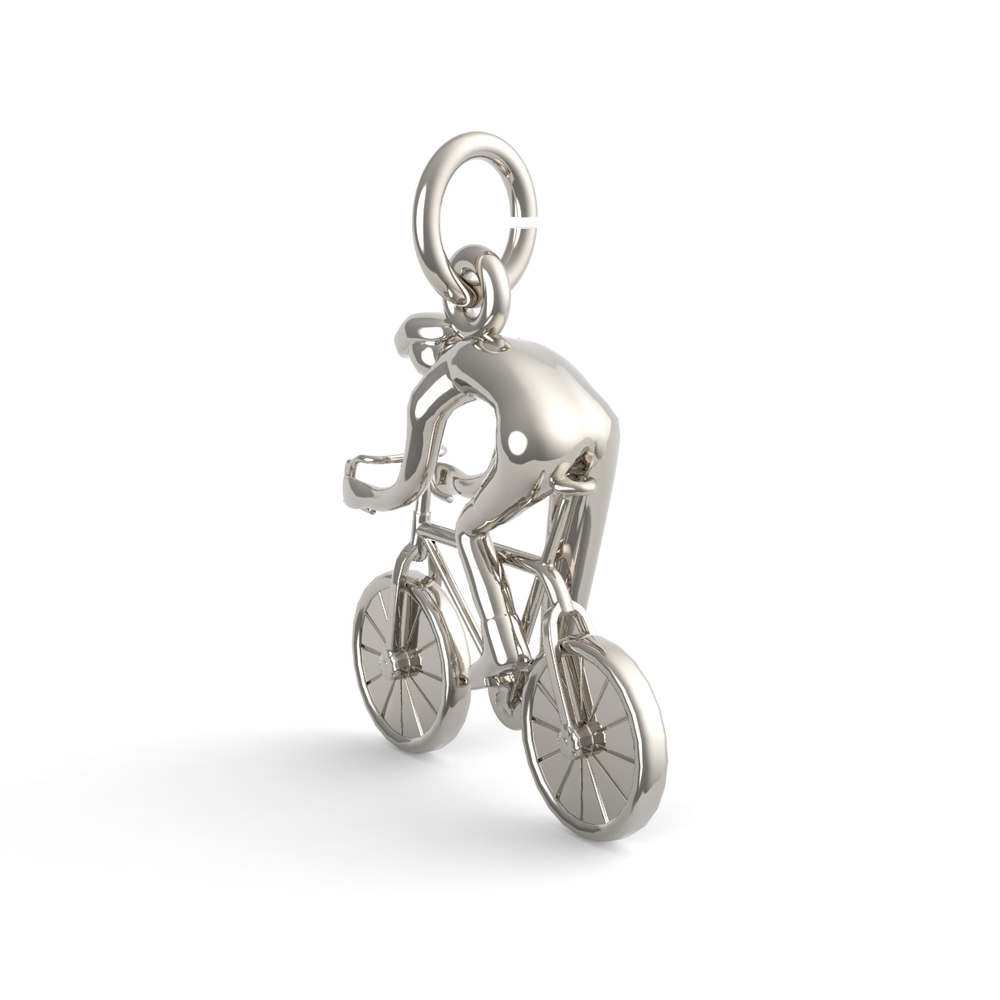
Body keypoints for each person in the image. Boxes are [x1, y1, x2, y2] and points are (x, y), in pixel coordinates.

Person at [344, 313, 620, 680]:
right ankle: (565, 657)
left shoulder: (447, 366)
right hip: (601, 428)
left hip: (535, 439)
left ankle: (502, 652)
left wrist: (365, 497)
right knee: (568, 570)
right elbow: (513, 455)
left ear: (424, 348)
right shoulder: (512, 350)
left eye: (412, 355)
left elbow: (407, 488)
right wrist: (459, 483)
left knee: (469, 530)